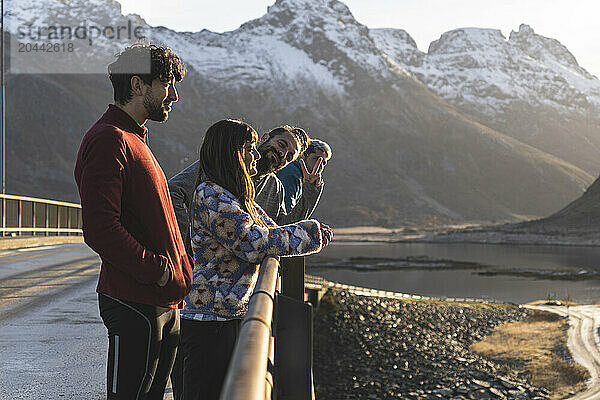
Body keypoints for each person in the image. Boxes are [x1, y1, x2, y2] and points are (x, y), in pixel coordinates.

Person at [180, 119, 333, 400]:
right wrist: (310, 234)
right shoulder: (212, 195)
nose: (254, 156)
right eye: (248, 149)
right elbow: (254, 243)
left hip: (230, 314)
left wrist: (308, 225)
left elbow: (274, 229)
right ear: (231, 153)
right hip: (208, 319)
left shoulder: (241, 198)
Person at [73, 43, 193, 400]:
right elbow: (100, 229)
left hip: (160, 301)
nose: (173, 95)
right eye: (167, 83)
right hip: (135, 300)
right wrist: (159, 271)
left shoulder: (133, 138)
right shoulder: (110, 139)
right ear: (139, 85)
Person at [168, 125, 320, 254]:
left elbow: (279, 227)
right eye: (281, 144)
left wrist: (310, 190)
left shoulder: (275, 187)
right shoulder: (220, 163)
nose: (282, 154)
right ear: (265, 137)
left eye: (289, 157)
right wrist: (187, 239)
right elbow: (173, 191)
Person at [276, 138, 332, 212]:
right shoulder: (292, 173)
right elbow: (287, 215)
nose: (320, 165)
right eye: (316, 159)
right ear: (303, 155)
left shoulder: (301, 176)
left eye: (323, 163)